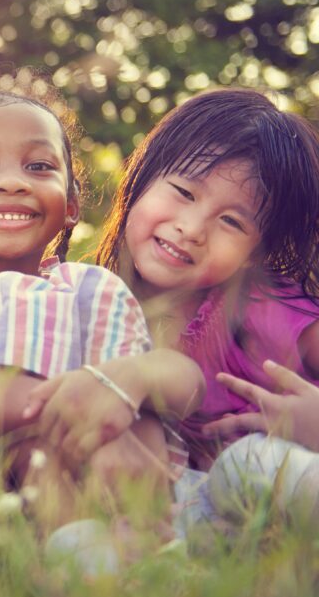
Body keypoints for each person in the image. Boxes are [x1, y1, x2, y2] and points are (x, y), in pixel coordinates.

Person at [0, 86, 203, 565]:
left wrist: (121, 385)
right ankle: (95, 558)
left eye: (38, 166)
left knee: (135, 400)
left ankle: (139, 546)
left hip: (87, 483)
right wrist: (76, 407)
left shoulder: (88, 294)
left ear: (71, 205)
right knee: (69, 424)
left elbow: (185, 380)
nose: (12, 182)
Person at [94, 88, 319, 531]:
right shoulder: (89, 304)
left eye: (232, 222)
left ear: (256, 252)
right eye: (183, 191)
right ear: (140, 177)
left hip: (279, 485)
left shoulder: (266, 309)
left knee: (249, 459)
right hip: (191, 520)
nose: (192, 229)